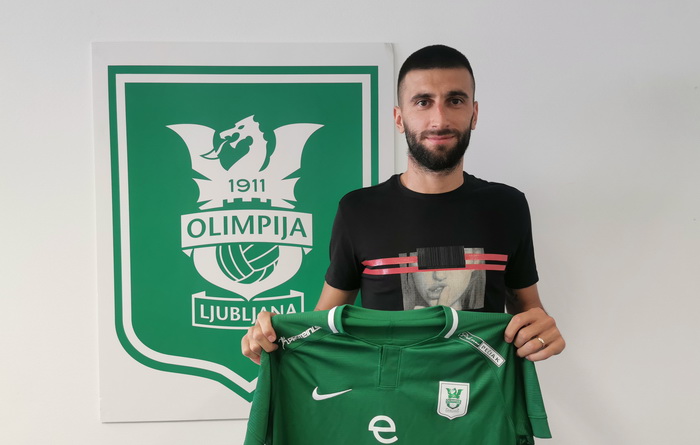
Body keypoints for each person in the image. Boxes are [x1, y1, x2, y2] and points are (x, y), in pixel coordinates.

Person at [241, 44, 565, 364]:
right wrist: (272, 338)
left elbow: (528, 314)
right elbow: (321, 329)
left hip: (482, 396)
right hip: (386, 398)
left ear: (474, 114)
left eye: (455, 100)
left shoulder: (507, 206)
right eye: (423, 102)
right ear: (399, 118)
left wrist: (543, 332)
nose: (439, 119)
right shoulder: (358, 211)